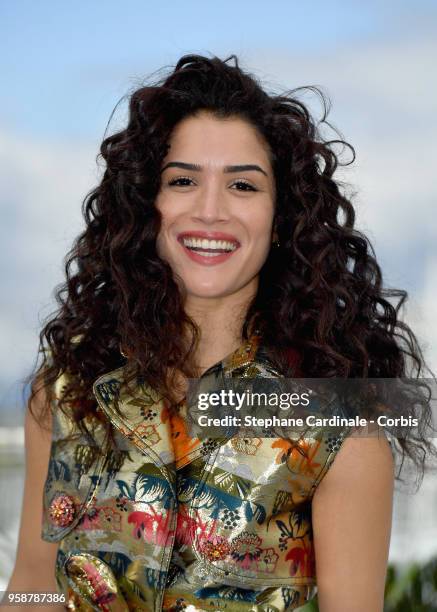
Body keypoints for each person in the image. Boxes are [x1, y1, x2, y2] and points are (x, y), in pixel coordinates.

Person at [5, 53, 435, 612]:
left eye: (243, 186)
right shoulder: (67, 389)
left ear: (281, 220)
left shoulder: (341, 432)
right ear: (146, 203)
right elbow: (33, 585)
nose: (210, 211)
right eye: (182, 180)